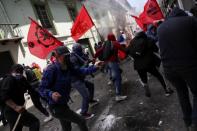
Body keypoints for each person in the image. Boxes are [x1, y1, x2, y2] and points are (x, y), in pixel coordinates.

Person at [39, 46, 103, 131]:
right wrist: (51, 94)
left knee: (66, 128)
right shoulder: (51, 69)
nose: (67, 58)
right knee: (81, 121)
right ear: (58, 57)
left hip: (63, 104)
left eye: (68, 55)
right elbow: (41, 89)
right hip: (55, 107)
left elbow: (81, 71)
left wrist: (95, 67)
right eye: (65, 56)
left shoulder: (69, 67)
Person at [157, 7, 197, 130]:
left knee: (182, 93)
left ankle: (187, 121)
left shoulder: (161, 27)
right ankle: (195, 121)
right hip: (188, 66)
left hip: (169, 69)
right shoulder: (191, 21)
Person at [127, 31, 173, 97]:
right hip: (148, 63)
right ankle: (167, 90)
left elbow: (127, 51)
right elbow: (156, 49)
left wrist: (134, 57)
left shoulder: (132, 41)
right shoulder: (148, 39)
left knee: (144, 79)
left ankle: (146, 87)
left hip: (138, 65)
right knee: (159, 76)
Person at [0, 64, 40, 131]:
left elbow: (30, 88)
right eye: (18, 72)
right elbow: (4, 96)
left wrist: (41, 92)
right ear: (13, 72)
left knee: (18, 128)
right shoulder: (9, 80)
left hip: (20, 109)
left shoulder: (22, 79)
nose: (20, 74)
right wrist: (15, 107)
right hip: (11, 111)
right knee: (34, 122)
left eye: (21, 71)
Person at [94, 33, 127, 101]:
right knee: (118, 78)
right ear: (113, 37)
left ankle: (113, 81)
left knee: (115, 75)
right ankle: (118, 95)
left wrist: (95, 56)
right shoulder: (115, 43)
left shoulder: (106, 43)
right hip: (113, 63)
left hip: (107, 63)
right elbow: (123, 49)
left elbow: (99, 51)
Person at [70, 43, 99, 119]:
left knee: (90, 86)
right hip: (76, 80)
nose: (82, 51)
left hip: (80, 78)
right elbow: (78, 70)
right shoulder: (73, 58)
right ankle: (83, 112)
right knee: (85, 96)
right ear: (77, 50)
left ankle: (90, 101)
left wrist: (90, 61)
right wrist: (87, 65)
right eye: (80, 49)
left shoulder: (77, 55)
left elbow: (84, 60)